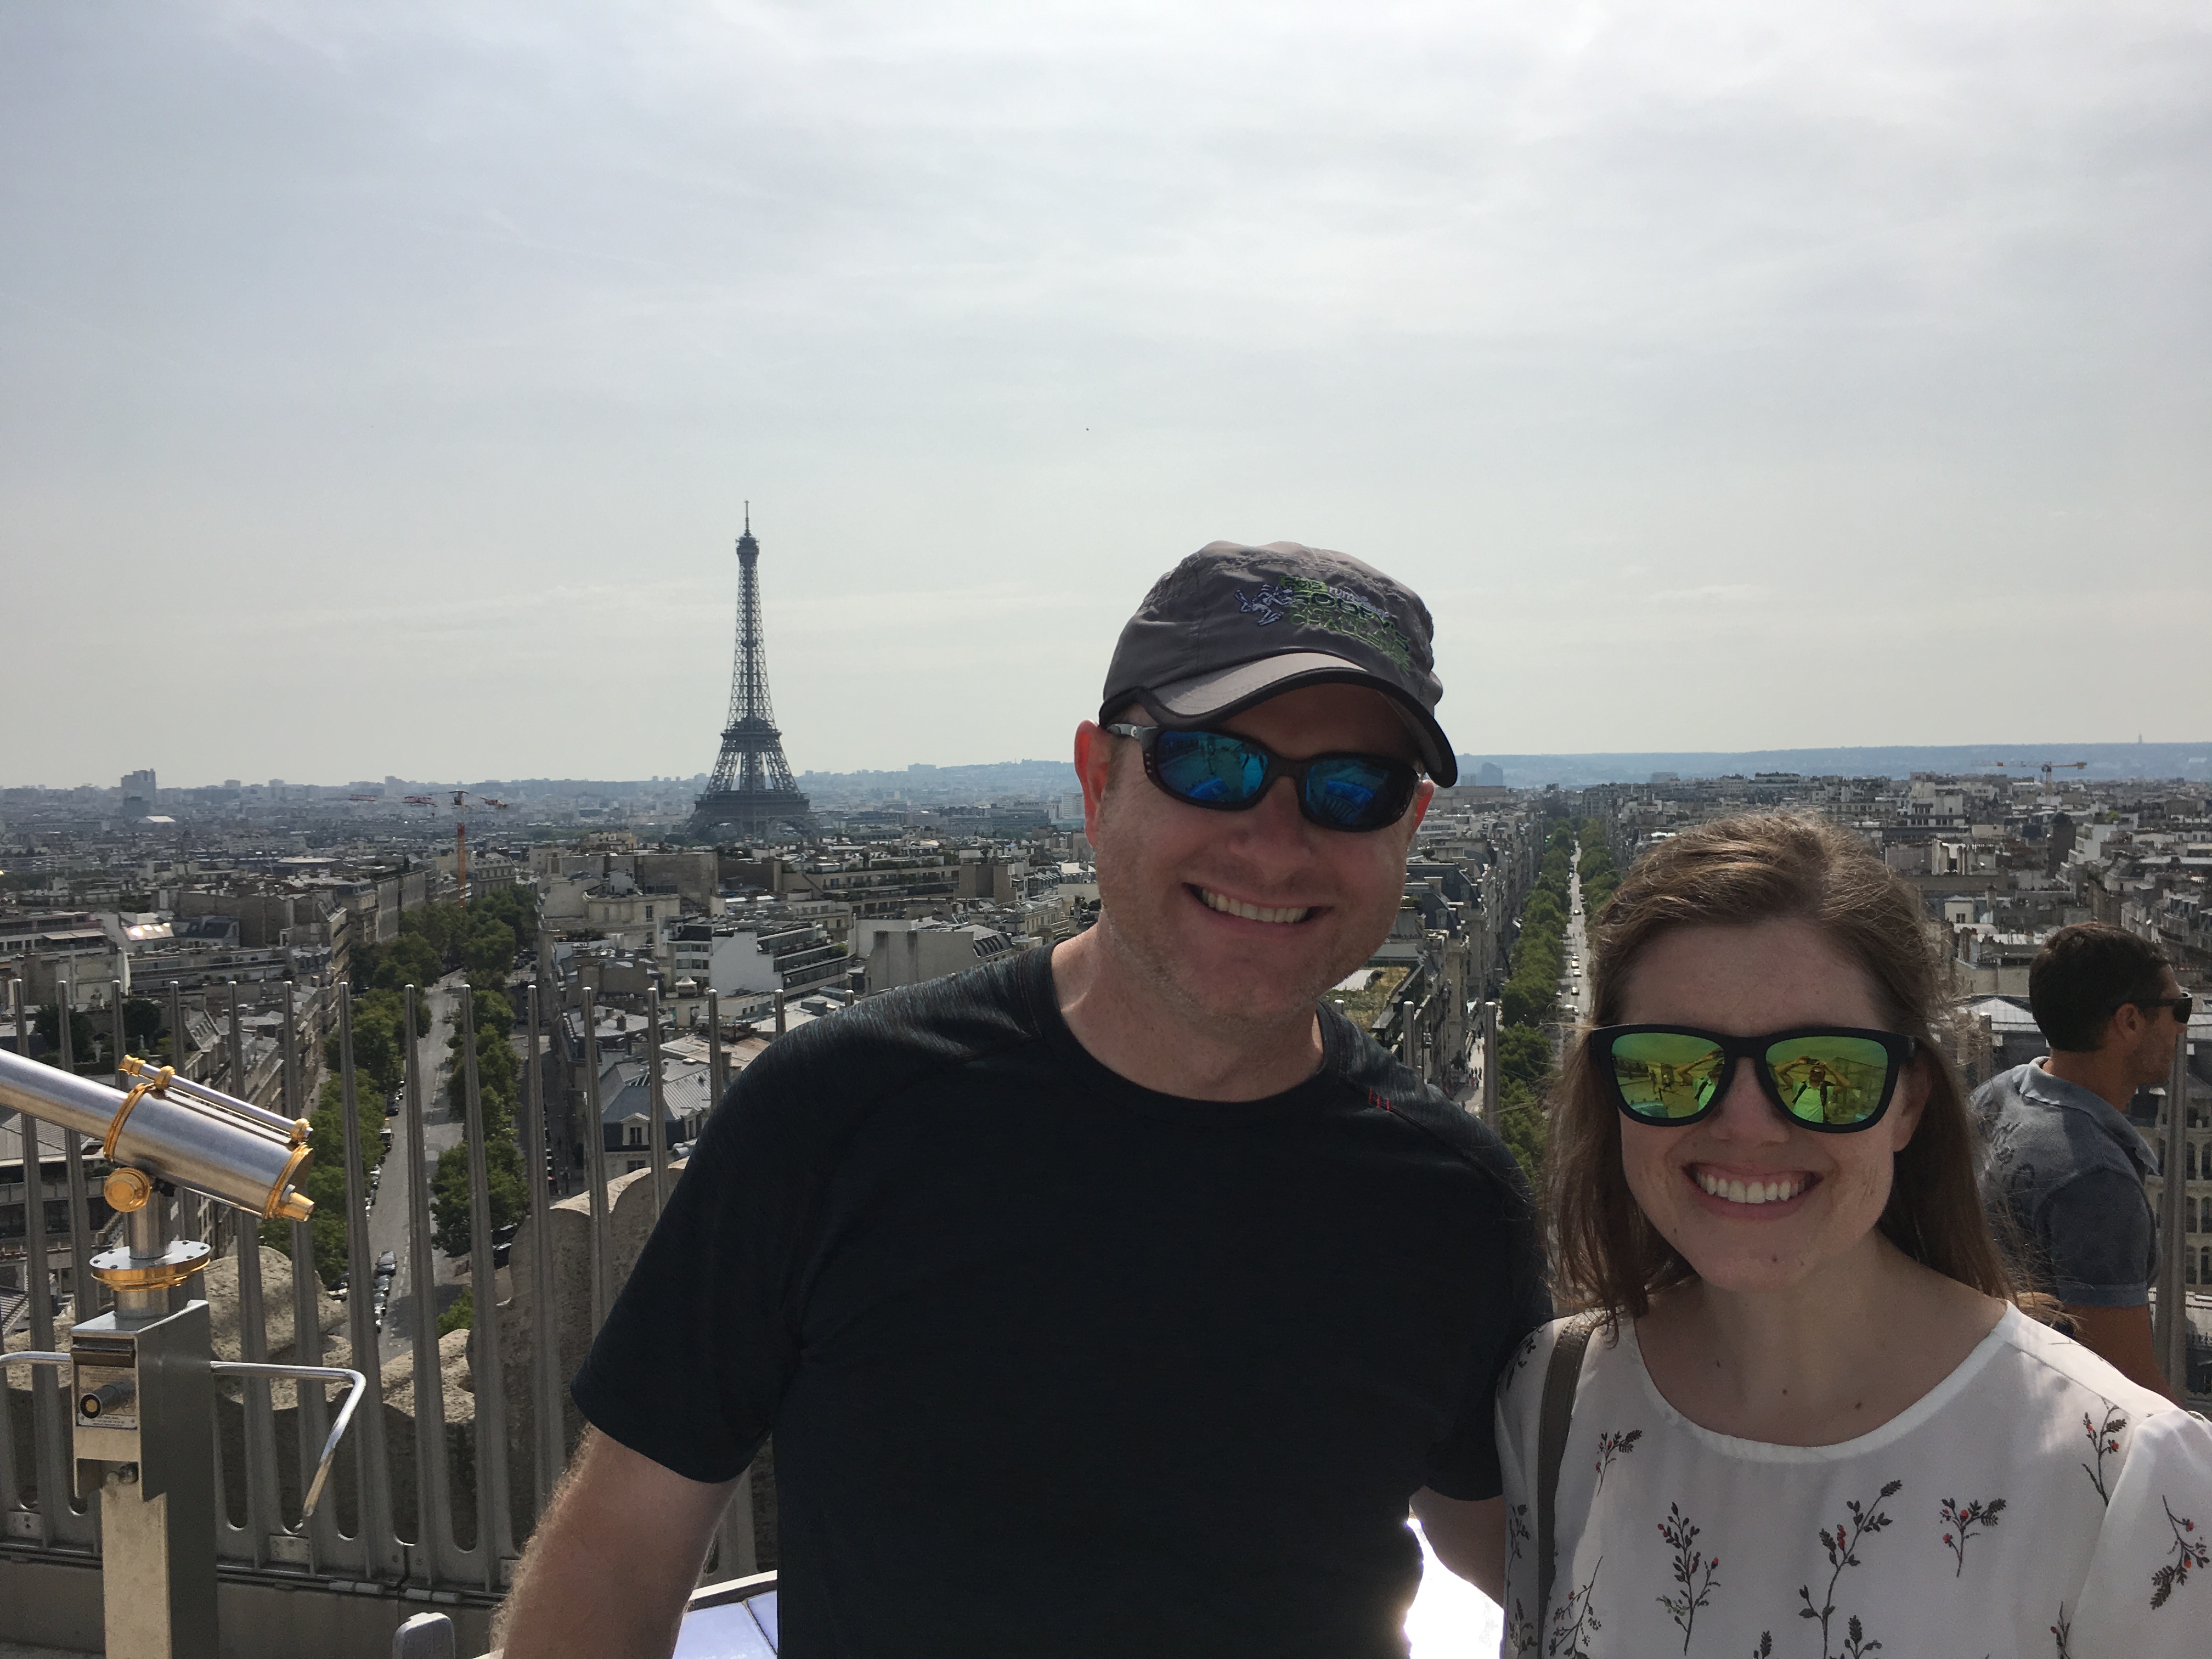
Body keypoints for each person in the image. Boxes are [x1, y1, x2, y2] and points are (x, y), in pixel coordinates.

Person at [496, 541, 1548, 1658]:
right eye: (1211, 764)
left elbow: (1558, 1564)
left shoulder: (1452, 1200)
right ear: (1098, 782)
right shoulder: (827, 1117)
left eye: (1352, 786)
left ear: (1408, 826)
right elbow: (617, 1557)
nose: (1277, 845)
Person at [1497, 814, 2211, 1656]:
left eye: (1826, 1073)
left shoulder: (2131, 1481)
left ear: (1909, 1102)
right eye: (1669, 1068)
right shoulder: (1550, 1404)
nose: (1747, 1126)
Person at [1976, 921, 2192, 1398]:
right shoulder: (2095, 1181)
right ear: (2129, 1022)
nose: (2182, 1026)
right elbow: (2126, 1392)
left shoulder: (1997, 1095)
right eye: (2178, 1008)